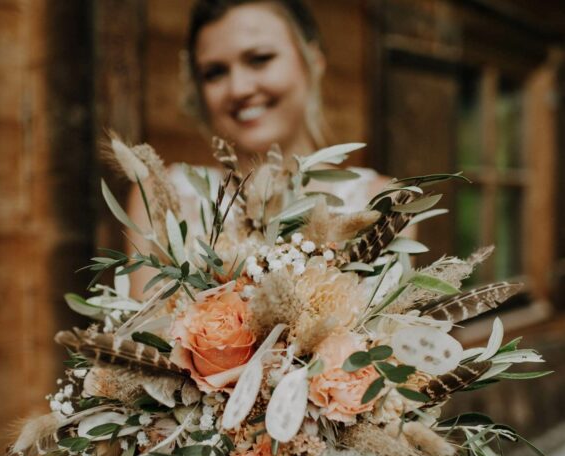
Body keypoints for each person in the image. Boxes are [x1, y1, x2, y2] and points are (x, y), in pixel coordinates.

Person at [126, 0, 393, 297]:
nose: (239, 88)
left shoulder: (382, 203)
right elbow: (145, 336)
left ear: (312, 60)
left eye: (260, 59)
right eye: (215, 72)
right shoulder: (161, 199)